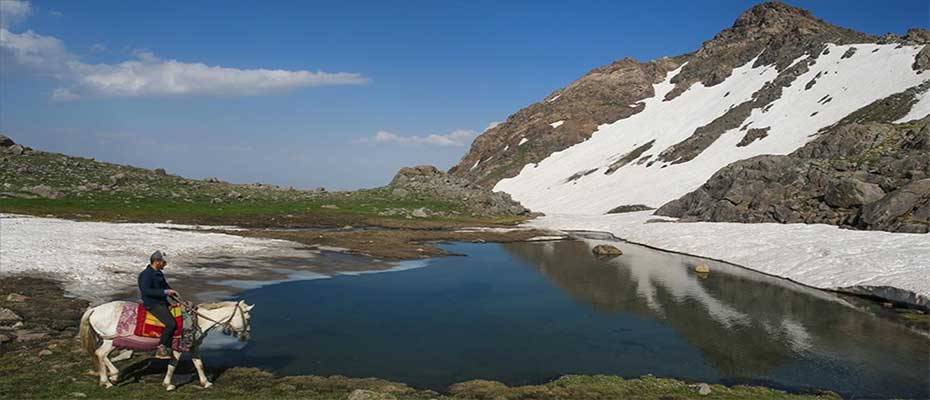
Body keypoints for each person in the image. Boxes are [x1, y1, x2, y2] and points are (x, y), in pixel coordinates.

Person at [137, 250, 178, 359]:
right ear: (157, 262)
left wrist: (173, 294)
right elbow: (146, 291)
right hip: (153, 304)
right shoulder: (146, 274)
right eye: (164, 263)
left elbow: (165, 286)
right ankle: (162, 346)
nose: (165, 265)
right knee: (171, 324)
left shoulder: (159, 273)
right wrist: (165, 292)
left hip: (162, 302)